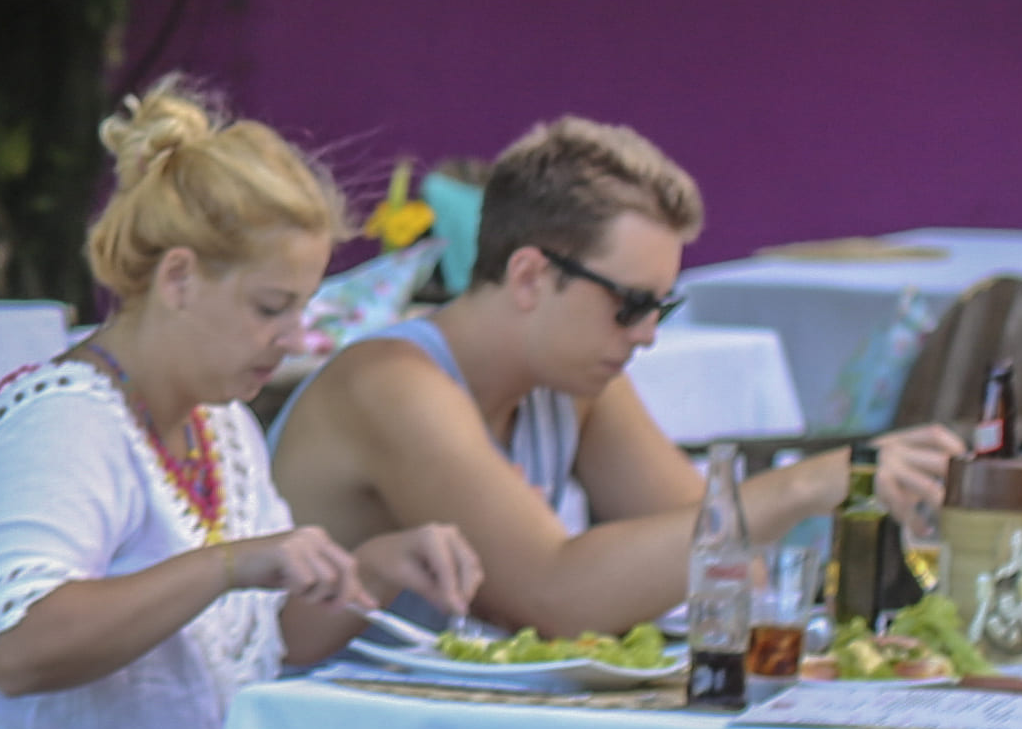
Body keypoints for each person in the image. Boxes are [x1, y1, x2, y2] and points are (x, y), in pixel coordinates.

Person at [0, 85, 483, 729]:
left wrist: (380, 568)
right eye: (271, 307)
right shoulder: (65, 420)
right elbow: (19, 645)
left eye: (302, 308)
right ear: (179, 278)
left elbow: (264, 640)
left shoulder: (220, 427)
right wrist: (229, 564)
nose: (296, 338)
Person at [274, 116, 962, 635]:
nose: (647, 333)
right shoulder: (394, 383)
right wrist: (805, 483)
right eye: (630, 303)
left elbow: (725, 567)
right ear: (530, 275)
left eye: (662, 305)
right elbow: (551, 595)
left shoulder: (573, 383)